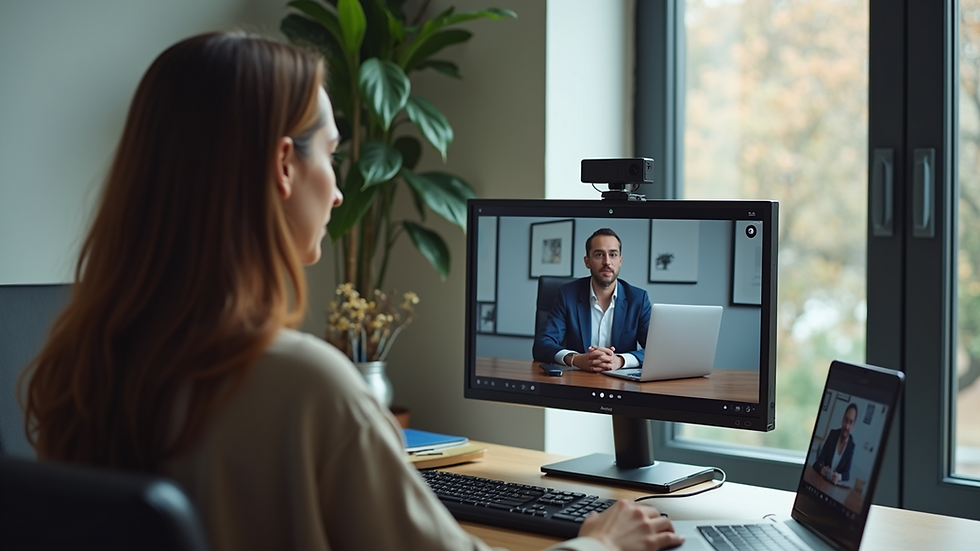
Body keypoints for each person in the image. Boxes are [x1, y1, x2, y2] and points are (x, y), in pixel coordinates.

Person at [20, 33, 683, 551]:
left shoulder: (85, 365)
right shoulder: (303, 386)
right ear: (284, 165)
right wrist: (600, 538)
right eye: (330, 154)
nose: (339, 190)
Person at [533, 229, 652, 372]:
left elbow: (657, 349)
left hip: (621, 385)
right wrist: (575, 359)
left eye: (613, 255)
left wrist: (620, 360)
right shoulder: (567, 295)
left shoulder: (638, 299)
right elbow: (542, 344)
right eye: (599, 254)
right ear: (587, 261)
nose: (607, 262)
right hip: (578, 381)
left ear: (620, 261)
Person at [812, 403, 858, 485]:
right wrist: (821, 468)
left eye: (850, 422)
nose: (847, 426)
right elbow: (819, 460)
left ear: (853, 425)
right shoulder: (833, 434)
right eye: (846, 420)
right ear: (842, 419)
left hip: (833, 488)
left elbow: (847, 474)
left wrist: (839, 477)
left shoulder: (851, 446)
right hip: (820, 482)